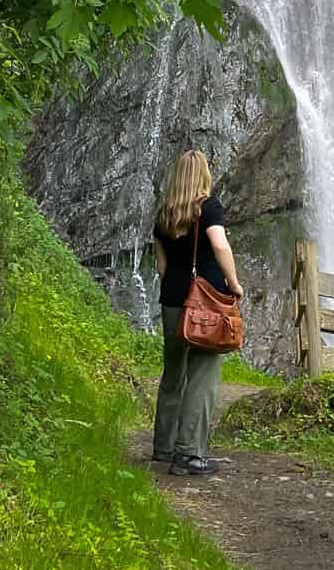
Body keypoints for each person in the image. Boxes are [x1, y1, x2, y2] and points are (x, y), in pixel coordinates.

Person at [150, 149, 243, 476]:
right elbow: (219, 244)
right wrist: (234, 283)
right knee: (203, 378)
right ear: (203, 175)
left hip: (173, 302)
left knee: (173, 375)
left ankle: (163, 448)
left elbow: (162, 268)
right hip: (205, 304)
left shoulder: (164, 214)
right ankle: (189, 455)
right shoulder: (208, 208)